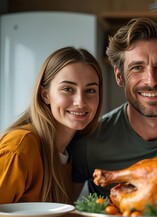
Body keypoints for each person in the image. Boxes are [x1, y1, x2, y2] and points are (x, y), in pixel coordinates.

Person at [68, 17, 157, 199]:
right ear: (119, 76)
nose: (151, 81)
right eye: (137, 68)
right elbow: (65, 210)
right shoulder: (90, 143)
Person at [0, 47, 103, 204]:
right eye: (68, 89)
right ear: (45, 95)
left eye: (90, 90)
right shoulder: (19, 147)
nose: (80, 102)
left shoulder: (72, 153)